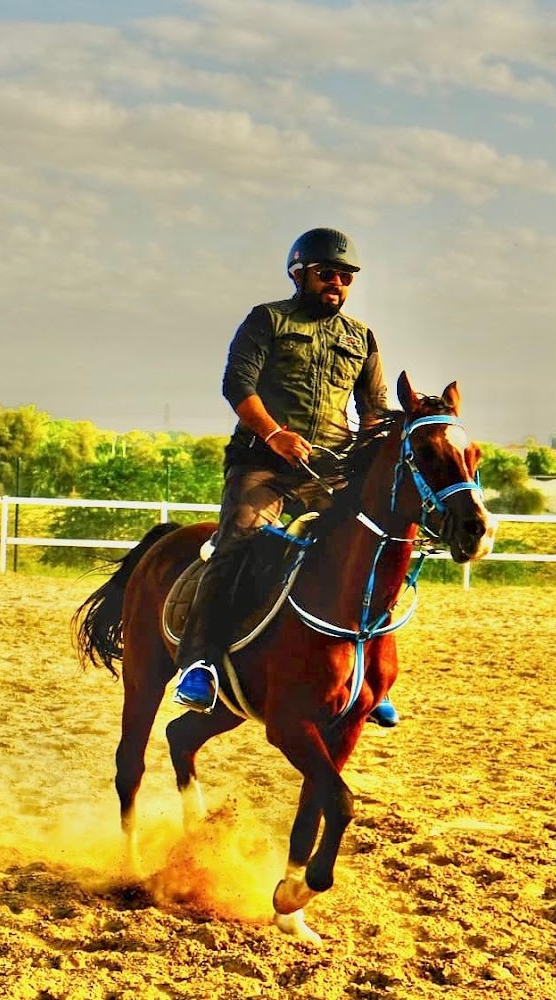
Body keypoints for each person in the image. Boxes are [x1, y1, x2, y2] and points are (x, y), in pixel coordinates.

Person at [173, 227, 400, 726]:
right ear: (300, 274)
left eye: (345, 276)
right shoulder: (267, 320)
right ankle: (201, 664)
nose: (337, 283)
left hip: (328, 472)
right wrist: (275, 434)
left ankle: (368, 674)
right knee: (237, 540)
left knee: (369, 549)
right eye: (327, 274)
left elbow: (375, 409)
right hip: (264, 466)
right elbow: (237, 384)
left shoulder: (360, 338)